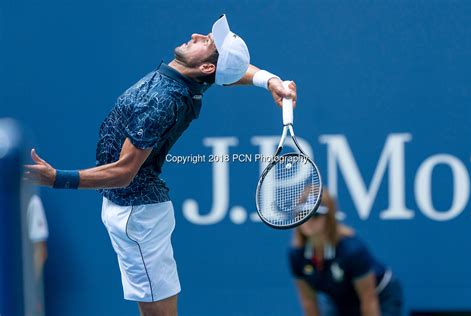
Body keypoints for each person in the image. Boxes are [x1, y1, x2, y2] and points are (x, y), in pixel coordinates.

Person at [24, 14, 297, 316]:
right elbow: (230, 73)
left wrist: (56, 179)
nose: (196, 35)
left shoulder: (163, 100)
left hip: (137, 217)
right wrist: (269, 79)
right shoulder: (192, 78)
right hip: (135, 212)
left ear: (206, 66)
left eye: (206, 42)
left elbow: (123, 172)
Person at [289, 189, 403, 316]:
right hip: (340, 299)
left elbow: (369, 300)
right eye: (303, 214)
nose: (309, 221)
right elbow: (308, 301)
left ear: (329, 218)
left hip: (380, 296)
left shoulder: (352, 250)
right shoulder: (296, 254)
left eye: (315, 215)